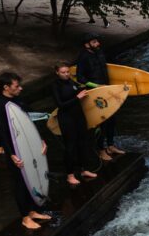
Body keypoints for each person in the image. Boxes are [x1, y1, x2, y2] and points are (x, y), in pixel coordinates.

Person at [0, 72, 52, 230]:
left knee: (31, 178)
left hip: (27, 146)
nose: (21, 88)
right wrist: (11, 154)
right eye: (17, 86)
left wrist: (40, 140)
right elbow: (2, 133)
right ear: (6, 87)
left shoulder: (16, 100)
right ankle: (25, 217)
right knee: (19, 183)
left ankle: (32, 211)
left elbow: (29, 122)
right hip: (15, 151)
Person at [75, 32, 125, 161]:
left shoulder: (100, 52)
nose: (98, 43)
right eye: (94, 42)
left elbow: (109, 69)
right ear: (87, 45)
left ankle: (110, 146)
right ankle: (101, 150)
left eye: (97, 41)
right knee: (102, 122)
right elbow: (80, 78)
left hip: (107, 90)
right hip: (95, 94)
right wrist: (96, 86)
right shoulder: (83, 57)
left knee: (112, 119)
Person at [52, 61, 99, 187]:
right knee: (70, 147)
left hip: (79, 116)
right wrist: (77, 98)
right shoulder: (55, 85)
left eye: (68, 72)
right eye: (63, 72)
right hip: (66, 118)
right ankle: (70, 175)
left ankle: (84, 170)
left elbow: (80, 90)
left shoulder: (71, 82)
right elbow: (60, 105)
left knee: (83, 143)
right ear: (57, 73)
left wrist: (93, 88)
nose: (66, 74)